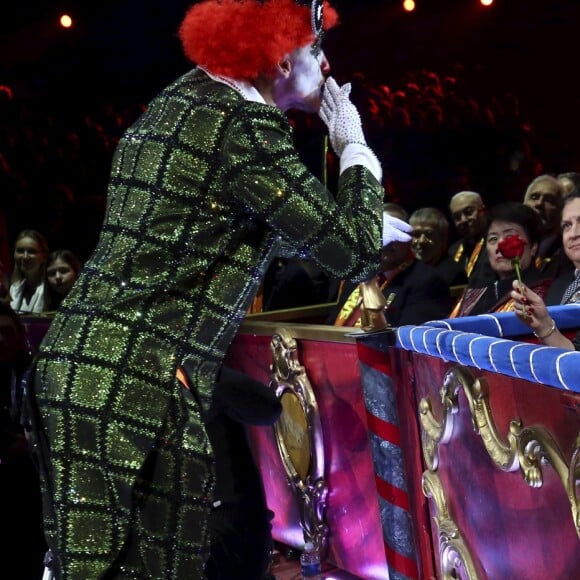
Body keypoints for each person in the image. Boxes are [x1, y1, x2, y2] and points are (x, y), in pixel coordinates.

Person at [27, 2, 412, 579]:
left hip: (74, 368)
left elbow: (202, 230)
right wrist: (352, 144)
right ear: (281, 59)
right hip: (136, 384)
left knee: (85, 564)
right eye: (316, 49)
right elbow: (354, 252)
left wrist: (318, 233)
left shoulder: (176, 101)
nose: (328, 65)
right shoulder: (245, 125)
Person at [327, 203, 451, 327]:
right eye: (379, 232)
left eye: (396, 231)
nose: (388, 240)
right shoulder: (356, 278)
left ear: (409, 237)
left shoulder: (427, 282)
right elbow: (330, 327)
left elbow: (410, 339)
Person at [450, 202, 551, 317]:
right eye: (493, 239)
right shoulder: (473, 295)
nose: (500, 246)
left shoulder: (545, 292)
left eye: (510, 237)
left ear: (533, 246)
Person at [511, 189, 580, 350]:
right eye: (567, 226)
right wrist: (541, 326)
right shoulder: (558, 285)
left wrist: (545, 327)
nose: (573, 234)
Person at [522, 173, 569, 277]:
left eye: (549, 200)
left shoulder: (568, 254)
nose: (539, 203)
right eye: (534, 197)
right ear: (524, 203)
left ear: (562, 211)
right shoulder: (506, 244)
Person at [409, 206, 466, 286]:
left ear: (443, 238)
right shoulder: (406, 271)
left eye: (429, 234)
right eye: (416, 234)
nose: (421, 241)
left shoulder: (454, 274)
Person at [448, 190, 493, 287]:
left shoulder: (497, 243)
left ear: (483, 210)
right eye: (457, 217)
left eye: (468, 212)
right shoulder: (453, 250)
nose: (463, 220)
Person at [9, 229, 49, 314]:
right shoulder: (14, 289)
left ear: (44, 256)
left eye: (31, 251)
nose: (25, 257)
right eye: (20, 251)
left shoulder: (51, 289)